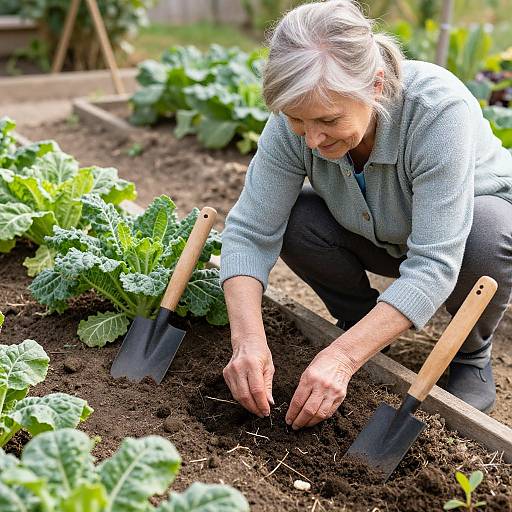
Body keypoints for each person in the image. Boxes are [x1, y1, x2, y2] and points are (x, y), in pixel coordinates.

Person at [220, 0, 512, 429]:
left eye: (328, 119)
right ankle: (360, 325)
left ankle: (469, 352)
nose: (313, 139)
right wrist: (247, 341)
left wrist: (340, 358)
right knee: (296, 220)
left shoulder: (436, 111)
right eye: (298, 121)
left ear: (375, 85)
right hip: (373, 230)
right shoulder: (296, 122)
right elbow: (249, 231)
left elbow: (433, 263)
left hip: (461, 240)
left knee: (490, 234)